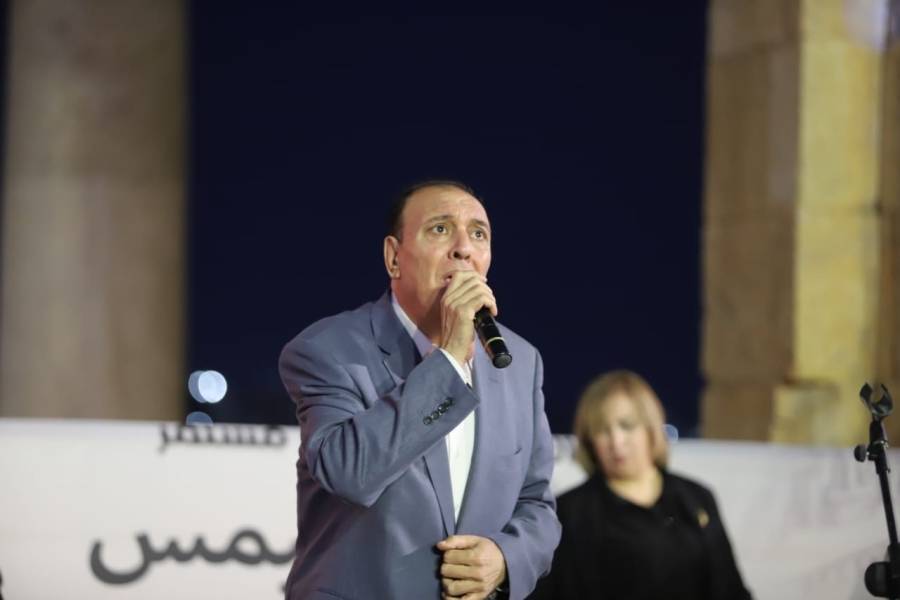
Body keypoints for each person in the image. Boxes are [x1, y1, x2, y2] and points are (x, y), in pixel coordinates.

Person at [279, 181, 561, 600]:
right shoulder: (328, 350)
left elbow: (537, 504)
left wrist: (505, 557)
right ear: (394, 257)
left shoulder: (519, 361)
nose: (463, 248)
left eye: (478, 234)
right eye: (440, 229)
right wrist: (450, 358)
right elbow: (349, 472)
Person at [530, 370, 751, 599]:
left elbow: (731, 588)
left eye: (627, 425)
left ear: (650, 427)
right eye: (602, 430)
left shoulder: (696, 498)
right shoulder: (570, 514)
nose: (617, 442)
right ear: (589, 440)